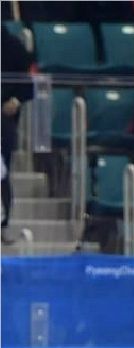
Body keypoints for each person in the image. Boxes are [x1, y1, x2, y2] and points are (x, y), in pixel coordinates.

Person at [1, 25, 34, 244]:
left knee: (2, 173)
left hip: (3, 119)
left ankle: (3, 226)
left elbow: (27, 84)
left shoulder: (12, 45)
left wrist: (16, 100)